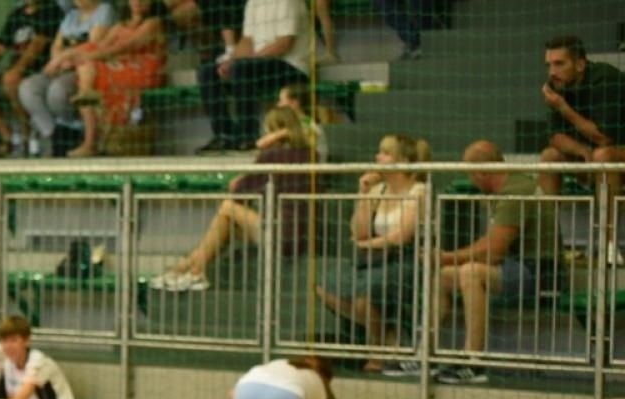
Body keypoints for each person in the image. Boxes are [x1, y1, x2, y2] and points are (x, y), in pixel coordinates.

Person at [148, 106, 318, 291]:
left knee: (227, 207)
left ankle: (191, 268)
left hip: (280, 233)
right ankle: (193, 267)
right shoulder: (310, 155)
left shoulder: (271, 156)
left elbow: (238, 191)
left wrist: (246, 172)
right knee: (226, 223)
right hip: (305, 234)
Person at [437, 140, 561, 380]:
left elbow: (493, 251)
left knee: (470, 272)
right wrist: (443, 263)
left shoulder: (516, 190)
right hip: (517, 266)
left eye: (471, 174)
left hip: (541, 272)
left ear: (482, 172)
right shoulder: (504, 189)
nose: (471, 181)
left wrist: (445, 256)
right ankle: (426, 352)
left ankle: (473, 362)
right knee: (442, 276)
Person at [316, 133, 428, 368]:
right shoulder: (379, 190)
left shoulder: (419, 190)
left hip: (405, 260)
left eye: (386, 153)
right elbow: (359, 232)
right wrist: (364, 193)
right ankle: (389, 336)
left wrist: (367, 245)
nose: (377, 157)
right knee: (325, 286)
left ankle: (378, 348)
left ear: (404, 161)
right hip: (374, 260)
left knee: (365, 297)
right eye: (379, 151)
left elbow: (402, 236)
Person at [196, 0, 311, 152]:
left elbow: (284, 43)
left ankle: (247, 135)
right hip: (259, 65)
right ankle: (224, 135)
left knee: (242, 67)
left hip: (292, 66)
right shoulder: (254, 2)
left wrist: (248, 60)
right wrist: (230, 61)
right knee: (207, 72)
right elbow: (247, 40)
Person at [66, 0, 167, 157]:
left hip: (143, 70)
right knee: (88, 58)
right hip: (119, 64)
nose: (137, 2)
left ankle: (90, 141)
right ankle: (90, 135)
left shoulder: (153, 23)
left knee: (90, 66)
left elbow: (126, 46)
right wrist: (69, 57)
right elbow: (101, 45)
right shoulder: (121, 25)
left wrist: (91, 56)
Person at [17, 0, 115, 159]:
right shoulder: (71, 15)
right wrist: (60, 60)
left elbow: (93, 45)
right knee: (28, 88)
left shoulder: (105, 10)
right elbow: (56, 46)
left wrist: (63, 58)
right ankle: (55, 135)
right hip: (63, 67)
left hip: (87, 69)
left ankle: (76, 133)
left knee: (58, 91)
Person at [537, 36, 625, 211]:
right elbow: (555, 137)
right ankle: (546, 233)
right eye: (549, 65)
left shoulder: (606, 79)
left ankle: (606, 237)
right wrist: (582, 150)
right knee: (550, 156)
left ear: (580, 65)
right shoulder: (556, 85)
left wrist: (563, 107)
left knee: (603, 156)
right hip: (593, 157)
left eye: (559, 64)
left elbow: (604, 139)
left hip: (615, 154)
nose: (552, 73)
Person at [0, 1, 61, 158]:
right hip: (14, 72)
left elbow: (37, 45)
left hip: (40, 72)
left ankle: (27, 135)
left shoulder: (50, 11)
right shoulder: (17, 15)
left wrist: (17, 70)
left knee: (11, 80)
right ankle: (9, 139)